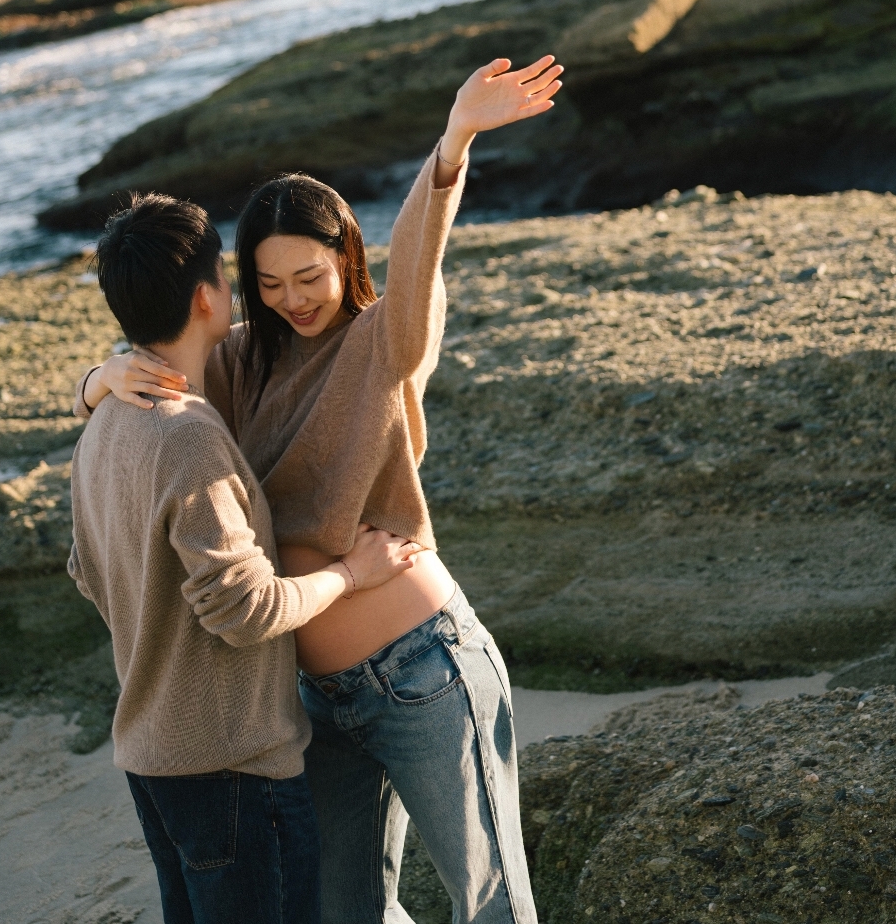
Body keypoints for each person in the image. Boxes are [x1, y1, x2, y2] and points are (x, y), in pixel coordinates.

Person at [78, 53, 563, 924]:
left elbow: (419, 264)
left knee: (490, 905)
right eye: (269, 284)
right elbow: (154, 375)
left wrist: (451, 146)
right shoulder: (239, 364)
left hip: (423, 668)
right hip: (308, 700)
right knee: (346, 913)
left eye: (311, 276)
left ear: (347, 255)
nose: (294, 299)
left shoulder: (386, 343)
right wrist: (98, 378)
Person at [69, 192, 419, 924]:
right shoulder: (186, 435)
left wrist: (97, 378)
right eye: (235, 281)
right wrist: (352, 574)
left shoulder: (102, 423)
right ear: (206, 296)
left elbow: (88, 570)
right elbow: (248, 609)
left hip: (152, 760)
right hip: (232, 770)